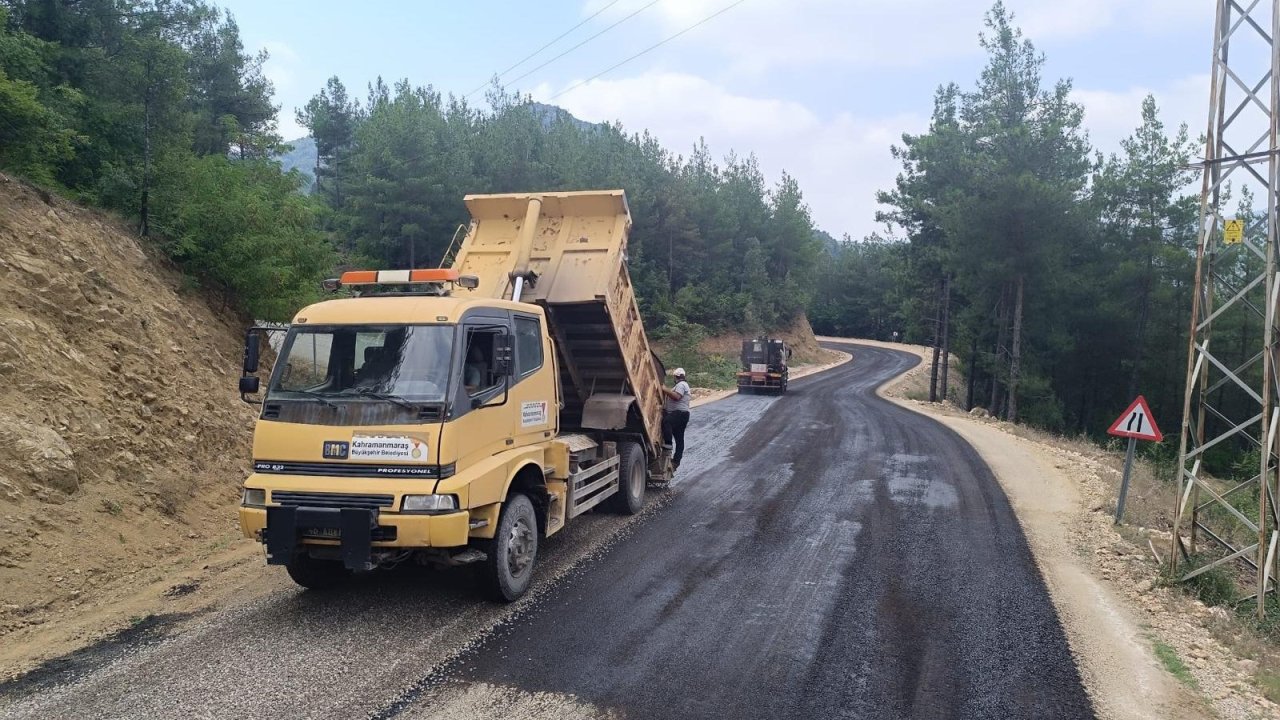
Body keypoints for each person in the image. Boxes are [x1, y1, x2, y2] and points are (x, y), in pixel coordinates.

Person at [661, 367, 691, 471]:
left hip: (680, 413)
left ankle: (668, 445)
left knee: (667, 422)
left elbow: (676, 397)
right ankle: (676, 461)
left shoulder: (681, 385)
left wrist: (664, 389)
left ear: (675, 377)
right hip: (682, 414)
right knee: (679, 437)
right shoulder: (681, 385)